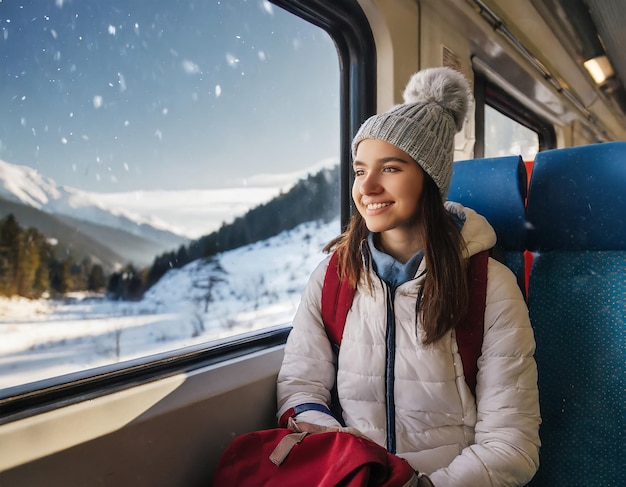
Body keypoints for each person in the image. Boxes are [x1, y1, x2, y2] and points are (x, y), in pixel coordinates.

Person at [276, 67, 540, 486]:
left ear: (430, 180)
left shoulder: (490, 286)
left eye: (391, 168)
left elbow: (512, 444)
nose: (368, 187)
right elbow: (300, 385)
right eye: (361, 170)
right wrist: (340, 450)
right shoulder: (334, 276)